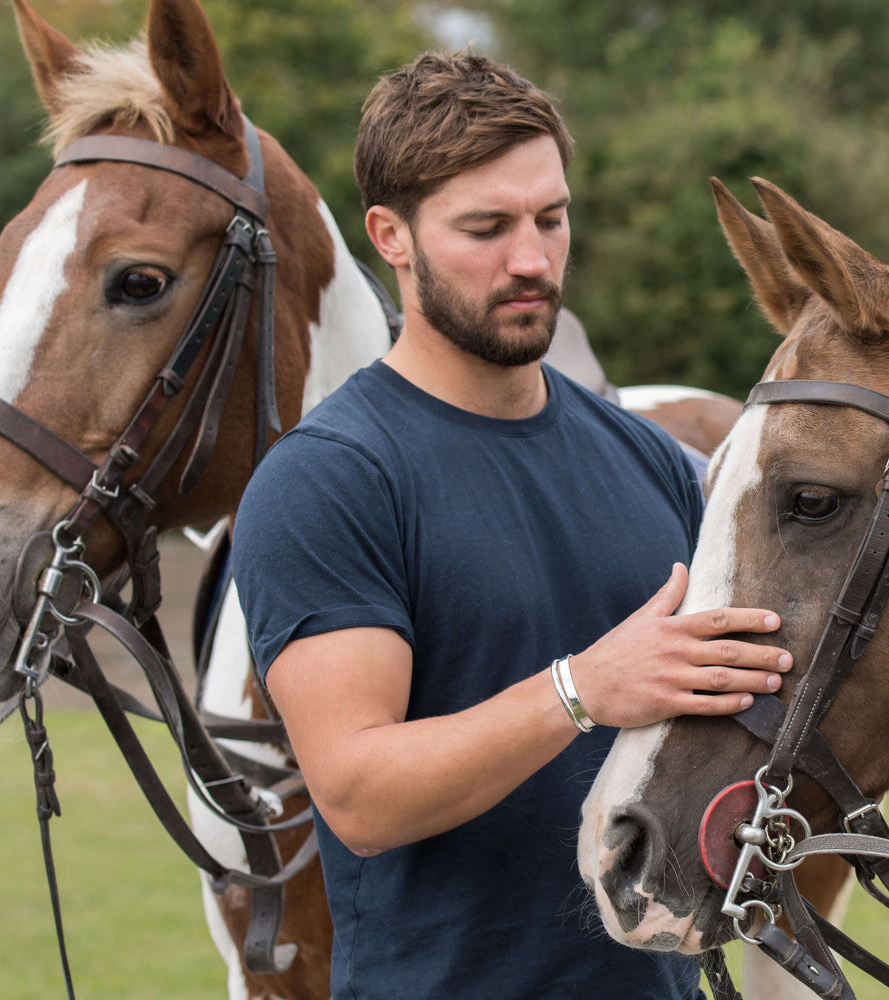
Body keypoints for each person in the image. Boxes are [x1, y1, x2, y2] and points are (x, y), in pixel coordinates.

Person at [232, 51, 791, 999]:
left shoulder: (651, 459)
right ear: (392, 236)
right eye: (485, 227)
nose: (531, 259)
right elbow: (359, 794)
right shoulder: (328, 481)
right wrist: (582, 689)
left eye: (551, 218)